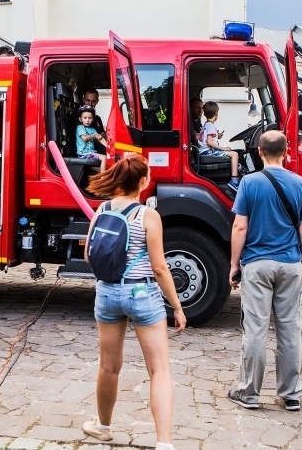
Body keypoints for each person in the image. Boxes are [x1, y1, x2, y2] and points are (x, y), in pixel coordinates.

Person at [81, 155, 186, 450]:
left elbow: (89, 255)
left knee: (109, 367)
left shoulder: (101, 209)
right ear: (143, 181)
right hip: (141, 294)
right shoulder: (147, 216)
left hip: (107, 293)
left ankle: (103, 427)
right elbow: (159, 268)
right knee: (159, 370)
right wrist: (177, 307)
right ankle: (164, 443)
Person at [227, 131, 302, 411]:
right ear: (287, 151)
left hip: (257, 264)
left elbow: (240, 227)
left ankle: (249, 393)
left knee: (255, 329)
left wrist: (234, 265)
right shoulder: (301, 184)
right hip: (289, 264)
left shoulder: (249, 183)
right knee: (289, 328)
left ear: (260, 152)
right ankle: (290, 394)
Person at [197, 101, 241, 191]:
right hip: (208, 152)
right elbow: (209, 142)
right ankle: (234, 180)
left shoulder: (206, 125)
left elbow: (208, 137)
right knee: (234, 154)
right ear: (216, 114)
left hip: (203, 151)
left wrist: (217, 135)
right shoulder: (212, 126)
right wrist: (224, 148)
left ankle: (238, 168)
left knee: (232, 155)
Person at [76, 105, 107, 172]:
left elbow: (99, 138)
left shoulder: (93, 130)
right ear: (80, 119)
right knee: (104, 158)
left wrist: (109, 146)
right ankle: (103, 179)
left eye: (90, 118)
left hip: (91, 153)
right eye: (85, 118)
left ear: (93, 119)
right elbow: (85, 138)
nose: (87, 120)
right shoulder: (80, 128)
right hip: (83, 154)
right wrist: (95, 135)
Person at [82, 89, 108, 153]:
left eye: (93, 101)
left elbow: (103, 136)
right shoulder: (76, 117)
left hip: (99, 151)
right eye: (87, 100)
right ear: (83, 100)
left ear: (97, 101)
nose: (90, 104)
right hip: (85, 153)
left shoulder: (98, 119)